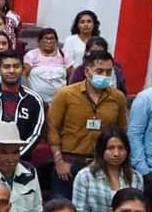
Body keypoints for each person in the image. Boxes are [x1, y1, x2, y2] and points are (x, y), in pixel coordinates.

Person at [47, 51, 129, 198]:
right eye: (99, 71)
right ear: (87, 71)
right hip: (69, 163)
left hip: (101, 165)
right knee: (62, 206)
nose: (104, 75)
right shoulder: (66, 94)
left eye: (108, 72)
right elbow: (52, 128)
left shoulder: (118, 98)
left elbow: (121, 131)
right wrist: (59, 162)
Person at [0, 48, 45, 160]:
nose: (11, 70)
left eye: (16, 66)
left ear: (23, 69)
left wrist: (14, 156)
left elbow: (36, 134)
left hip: (22, 161)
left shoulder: (34, 100)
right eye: (6, 67)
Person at [73, 127, 144, 212]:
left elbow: (138, 210)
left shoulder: (136, 177)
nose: (116, 153)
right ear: (101, 150)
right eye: (111, 148)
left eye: (121, 148)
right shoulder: (85, 176)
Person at [23, 28, 71, 104]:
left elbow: (71, 75)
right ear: (39, 41)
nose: (49, 41)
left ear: (56, 41)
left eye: (52, 38)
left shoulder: (64, 55)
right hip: (36, 101)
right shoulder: (31, 55)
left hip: (59, 100)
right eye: (46, 38)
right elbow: (24, 75)